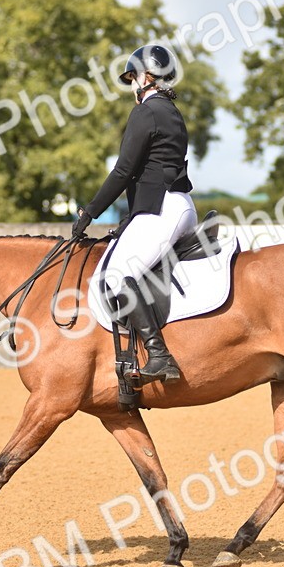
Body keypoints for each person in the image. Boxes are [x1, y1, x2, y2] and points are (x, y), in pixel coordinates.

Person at [71, 44, 196, 383]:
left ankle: (159, 355)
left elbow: (124, 170)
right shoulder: (170, 110)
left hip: (162, 208)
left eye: (131, 78)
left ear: (144, 76)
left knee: (115, 274)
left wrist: (90, 212)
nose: (131, 86)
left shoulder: (146, 111)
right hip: (176, 205)